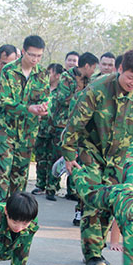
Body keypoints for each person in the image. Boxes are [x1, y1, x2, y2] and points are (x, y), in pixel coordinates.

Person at [60, 50, 133, 265]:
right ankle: (93, 254)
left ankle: (97, 248)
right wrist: (69, 154)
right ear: (120, 70)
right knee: (94, 200)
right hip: (92, 151)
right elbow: (75, 124)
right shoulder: (97, 89)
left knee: (111, 200)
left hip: (120, 156)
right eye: (130, 78)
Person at [0, 35, 51, 201]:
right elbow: (4, 101)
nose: (35, 59)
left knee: (20, 176)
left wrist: (43, 107)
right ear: (23, 52)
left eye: (39, 56)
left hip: (28, 133)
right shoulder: (9, 71)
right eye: (31, 55)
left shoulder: (42, 74)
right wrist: (28, 109)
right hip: (7, 130)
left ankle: (17, 212)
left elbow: (46, 98)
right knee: (3, 172)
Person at [49, 52, 98, 206]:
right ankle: (51, 187)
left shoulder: (89, 80)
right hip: (62, 123)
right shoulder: (67, 77)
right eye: (93, 68)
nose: (93, 71)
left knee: (75, 158)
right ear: (87, 66)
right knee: (59, 156)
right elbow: (62, 98)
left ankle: (72, 190)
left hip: (80, 125)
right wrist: (82, 97)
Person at [31, 62, 63, 198]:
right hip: (41, 129)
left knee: (54, 158)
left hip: (55, 130)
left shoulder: (62, 91)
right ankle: (40, 184)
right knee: (41, 158)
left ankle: (52, 187)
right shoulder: (42, 88)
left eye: (50, 73)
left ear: (56, 75)